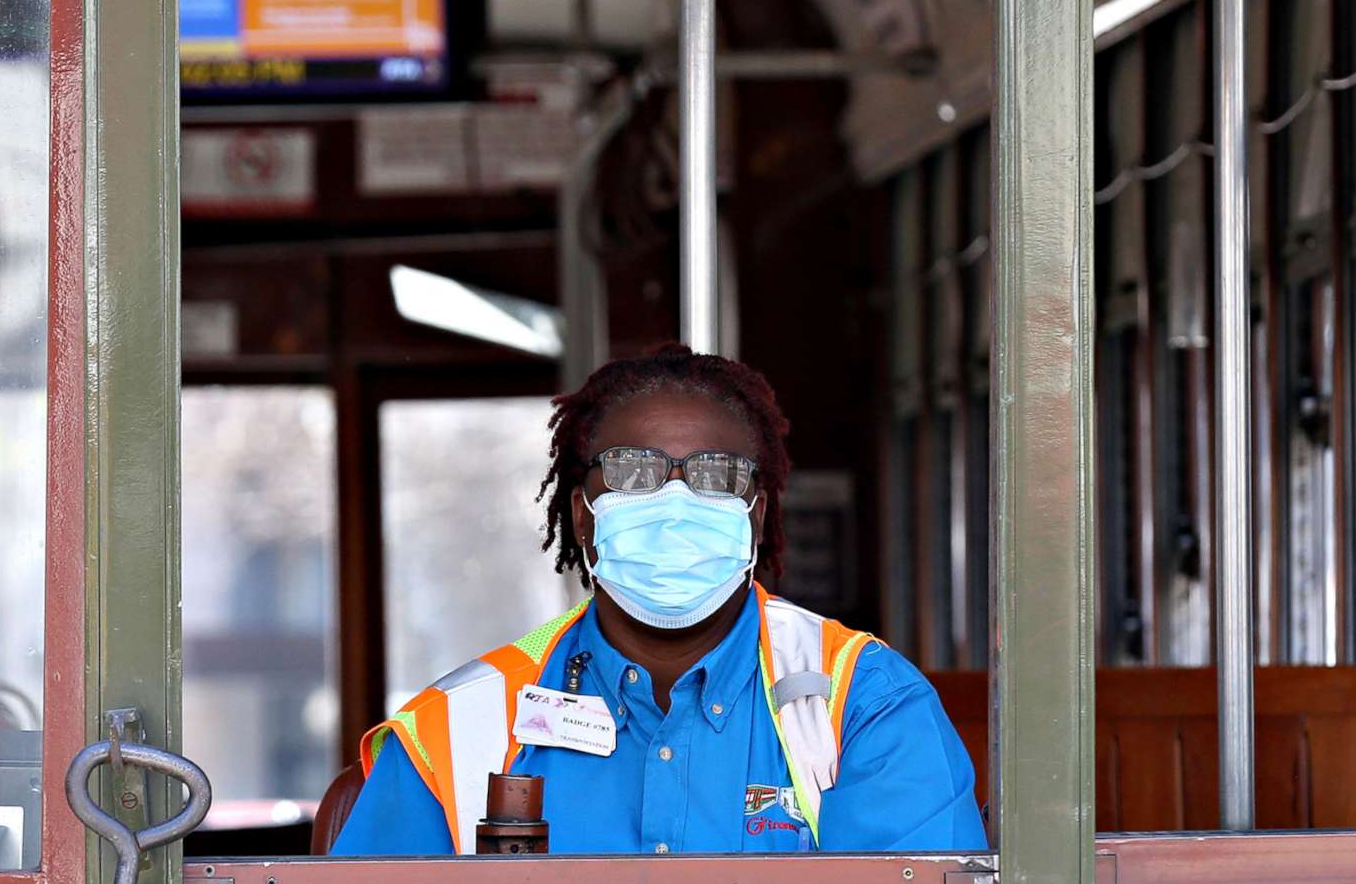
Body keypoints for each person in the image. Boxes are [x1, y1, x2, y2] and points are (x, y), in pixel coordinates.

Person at [331, 345, 985, 855]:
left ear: (755, 516)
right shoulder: (460, 727)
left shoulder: (863, 705)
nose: (676, 503)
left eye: (715, 476)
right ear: (583, 516)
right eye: (632, 472)